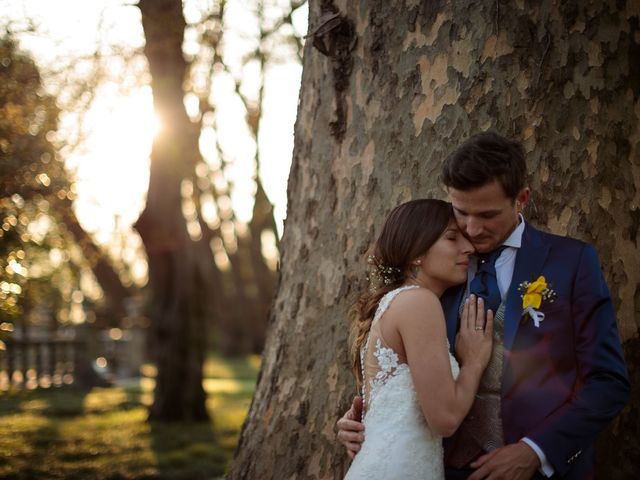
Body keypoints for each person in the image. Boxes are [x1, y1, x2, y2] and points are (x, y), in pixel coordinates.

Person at [337, 132, 630, 480]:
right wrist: (363, 419)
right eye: (461, 212)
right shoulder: (434, 269)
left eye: (487, 215)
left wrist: (536, 451)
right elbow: (399, 365)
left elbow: (607, 380)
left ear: (521, 199)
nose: (472, 229)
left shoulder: (572, 262)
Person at [344, 198, 493, 480]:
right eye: (452, 238)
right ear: (416, 254)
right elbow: (445, 420)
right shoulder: (418, 303)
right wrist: (473, 362)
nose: (469, 248)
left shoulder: (399, 302)